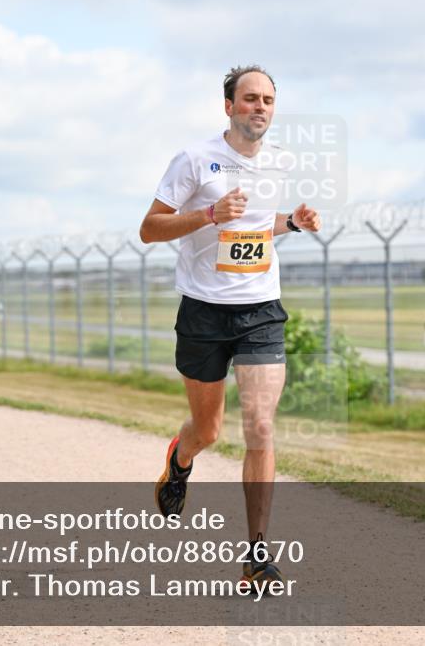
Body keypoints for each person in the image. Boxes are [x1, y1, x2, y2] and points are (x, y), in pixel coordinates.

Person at [140, 64, 321, 587]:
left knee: (261, 426)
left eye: (267, 99)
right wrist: (208, 215)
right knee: (209, 431)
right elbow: (149, 229)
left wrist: (292, 223)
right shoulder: (195, 160)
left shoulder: (280, 163)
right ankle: (180, 460)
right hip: (203, 309)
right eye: (249, 98)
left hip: (261, 307)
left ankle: (257, 554)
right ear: (229, 107)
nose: (259, 107)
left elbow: (258, 229)